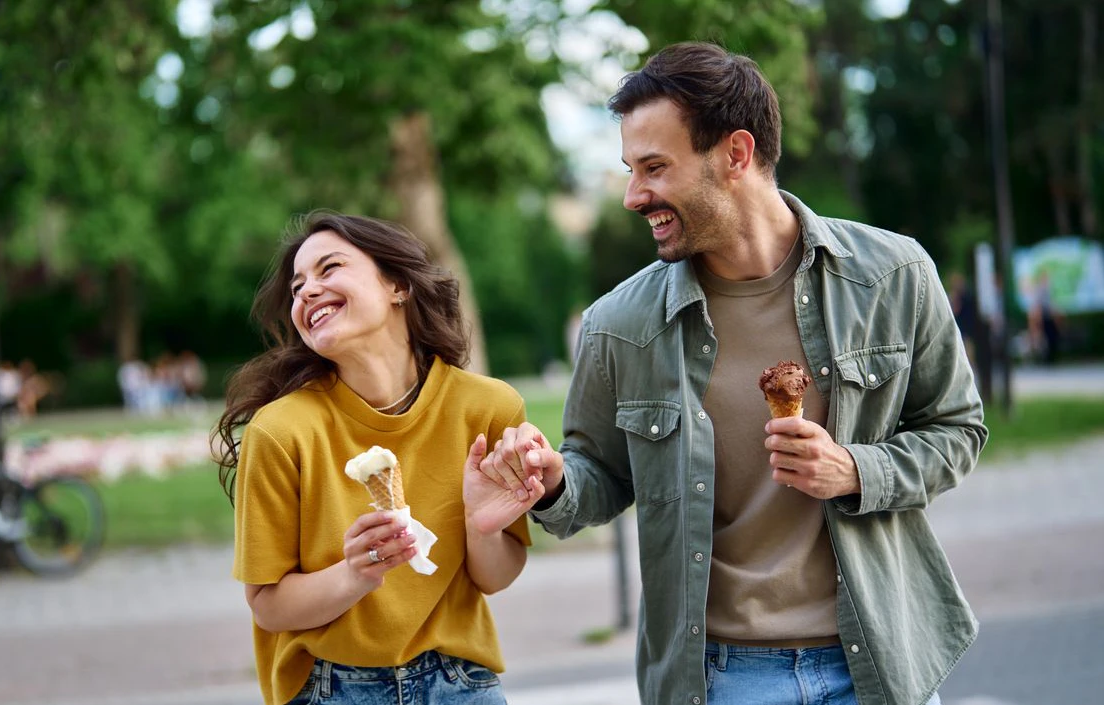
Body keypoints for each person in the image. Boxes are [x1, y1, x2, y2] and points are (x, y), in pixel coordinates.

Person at [480, 42, 987, 705]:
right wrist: (552, 482)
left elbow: (957, 429)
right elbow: (597, 476)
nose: (635, 195)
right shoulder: (619, 323)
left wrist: (856, 469)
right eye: (631, 170)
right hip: (720, 679)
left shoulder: (892, 276)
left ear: (736, 155)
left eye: (655, 168)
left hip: (877, 667)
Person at [213, 211, 544, 705]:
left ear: (397, 285)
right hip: (333, 688)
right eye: (298, 285)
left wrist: (481, 526)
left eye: (329, 268)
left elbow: (494, 578)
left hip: (461, 682)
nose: (305, 291)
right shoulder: (280, 432)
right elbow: (268, 606)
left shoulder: (489, 408)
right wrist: (355, 573)